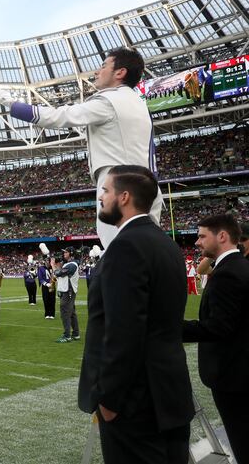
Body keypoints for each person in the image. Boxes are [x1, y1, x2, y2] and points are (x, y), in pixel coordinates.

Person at [0, 48, 161, 249]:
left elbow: (56, 117)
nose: (97, 72)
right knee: (147, 254)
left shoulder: (108, 101)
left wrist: (11, 104)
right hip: (149, 188)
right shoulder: (140, 104)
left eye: (103, 66)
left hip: (119, 186)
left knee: (121, 255)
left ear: (120, 72)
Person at [78, 165, 193, 464]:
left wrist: (110, 400)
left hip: (135, 403)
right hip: (169, 393)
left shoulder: (126, 246)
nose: (100, 198)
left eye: (105, 190)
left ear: (124, 197)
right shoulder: (165, 244)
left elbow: (124, 331)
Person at [183, 214, 249, 464]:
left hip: (234, 376)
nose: (197, 242)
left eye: (202, 235)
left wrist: (170, 329)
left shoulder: (228, 272)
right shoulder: (237, 266)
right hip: (239, 373)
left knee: (242, 440)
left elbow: (219, 327)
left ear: (222, 236)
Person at [53, 247, 80, 343]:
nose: (64, 253)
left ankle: (67, 335)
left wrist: (54, 266)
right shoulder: (70, 264)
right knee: (72, 313)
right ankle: (76, 334)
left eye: (66, 252)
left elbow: (59, 273)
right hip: (68, 291)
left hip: (68, 291)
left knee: (65, 313)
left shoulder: (72, 265)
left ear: (71, 254)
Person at [37, 254, 55, 320]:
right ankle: (47, 313)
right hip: (45, 286)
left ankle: (52, 314)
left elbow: (56, 275)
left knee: (52, 300)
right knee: (46, 300)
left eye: (49, 260)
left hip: (52, 285)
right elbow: (40, 278)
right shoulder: (41, 268)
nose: (47, 262)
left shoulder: (53, 267)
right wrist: (46, 284)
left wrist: (53, 282)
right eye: (46, 260)